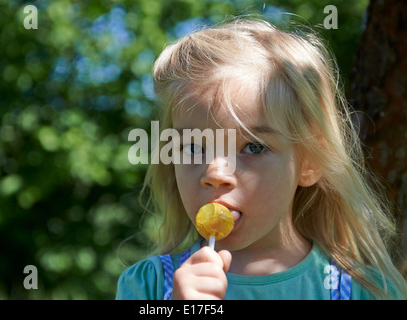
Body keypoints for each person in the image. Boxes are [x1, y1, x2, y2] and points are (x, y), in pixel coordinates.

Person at [115, 18, 407, 300]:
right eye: (193, 147)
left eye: (253, 147)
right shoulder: (149, 286)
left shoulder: (365, 292)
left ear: (310, 162)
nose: (215, 172)